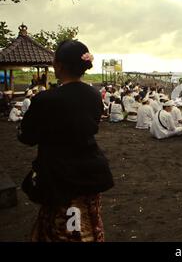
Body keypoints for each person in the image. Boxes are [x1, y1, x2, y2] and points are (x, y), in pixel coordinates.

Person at [18, 39, 113, 242]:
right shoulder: (94, 95)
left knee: (71, 232)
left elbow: (26, 137)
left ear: (58, 65)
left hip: (60, 174)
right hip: (91, 168)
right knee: (89, 219)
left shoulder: (46, 99)